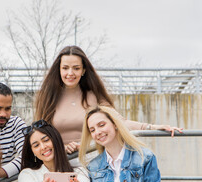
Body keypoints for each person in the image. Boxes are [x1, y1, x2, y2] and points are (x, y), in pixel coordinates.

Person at [34, 45, 183, 156]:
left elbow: (120, 122)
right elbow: (39, 135)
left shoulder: (94, 96)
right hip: (57, 160)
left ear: (84, 70)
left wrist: (153, 127)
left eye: (76, 68)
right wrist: (60, 147)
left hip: (89, 160)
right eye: (65, 68)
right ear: (59, 70)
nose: (70, 73)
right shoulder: (47, 98)